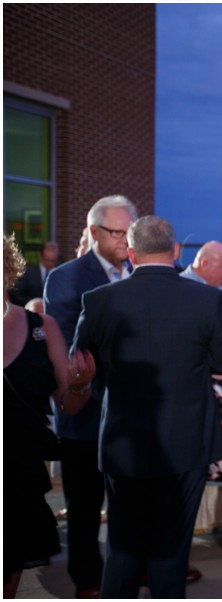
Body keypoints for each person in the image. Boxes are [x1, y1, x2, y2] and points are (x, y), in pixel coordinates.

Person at [72, 216, 222, 597]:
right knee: (171, 551)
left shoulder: (99, 301)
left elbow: (80, 367)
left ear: (131, 254)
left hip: (123, 439)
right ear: (177, 251)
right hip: (187, 442)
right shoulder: (207, 299)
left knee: (123, 547)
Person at [43, 194, 138, 598]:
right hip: (84, 414)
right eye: (118, 233)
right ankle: (88, 583)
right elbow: (70, 354)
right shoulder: (66, 278)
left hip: (132, 418)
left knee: (129, 509)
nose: (124, 241)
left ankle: (126, 577)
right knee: (84, 509)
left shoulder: (139, 274)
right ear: (95, 232)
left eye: (129, 233)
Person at [3, 234, 95, 598]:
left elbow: (68, 405)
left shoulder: (43, 328)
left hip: (19, 476)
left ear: (6, 268)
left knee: (9, 572)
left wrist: (80, 385)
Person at [10, 240, 58, 306]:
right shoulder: (28, 272)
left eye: (53, 261)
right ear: (40, 256)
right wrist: (36, 304)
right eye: (47, 260)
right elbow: (17, 296)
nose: (50, 264)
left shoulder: (60, 273)